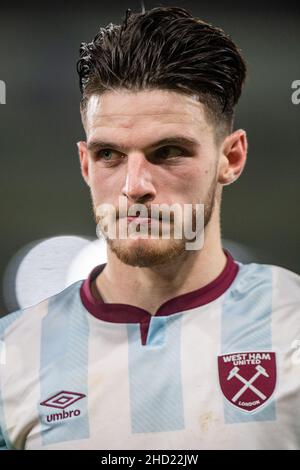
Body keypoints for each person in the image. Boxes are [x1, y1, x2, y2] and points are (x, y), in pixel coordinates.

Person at [0, 6, 299, 450]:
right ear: (85, 163)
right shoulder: (10, 355)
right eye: (109, 155)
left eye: (169, 151)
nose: (133, 186)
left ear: (231, 159)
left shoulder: (292, 324)